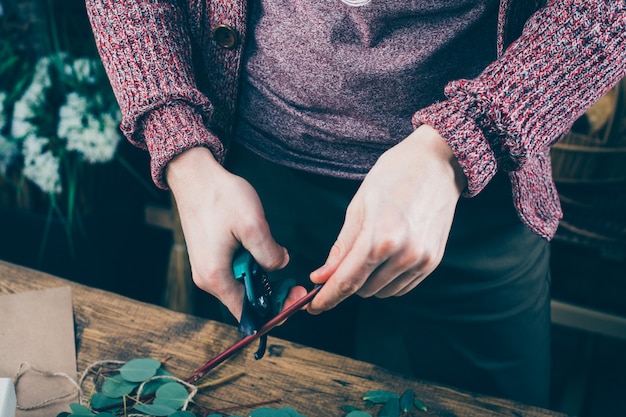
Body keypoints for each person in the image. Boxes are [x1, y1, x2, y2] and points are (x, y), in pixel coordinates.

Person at [85, 0, 625, 408]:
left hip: (478, 194)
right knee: (255, 394)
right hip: (251, 184)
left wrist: (462, 143)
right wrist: (183, 153)